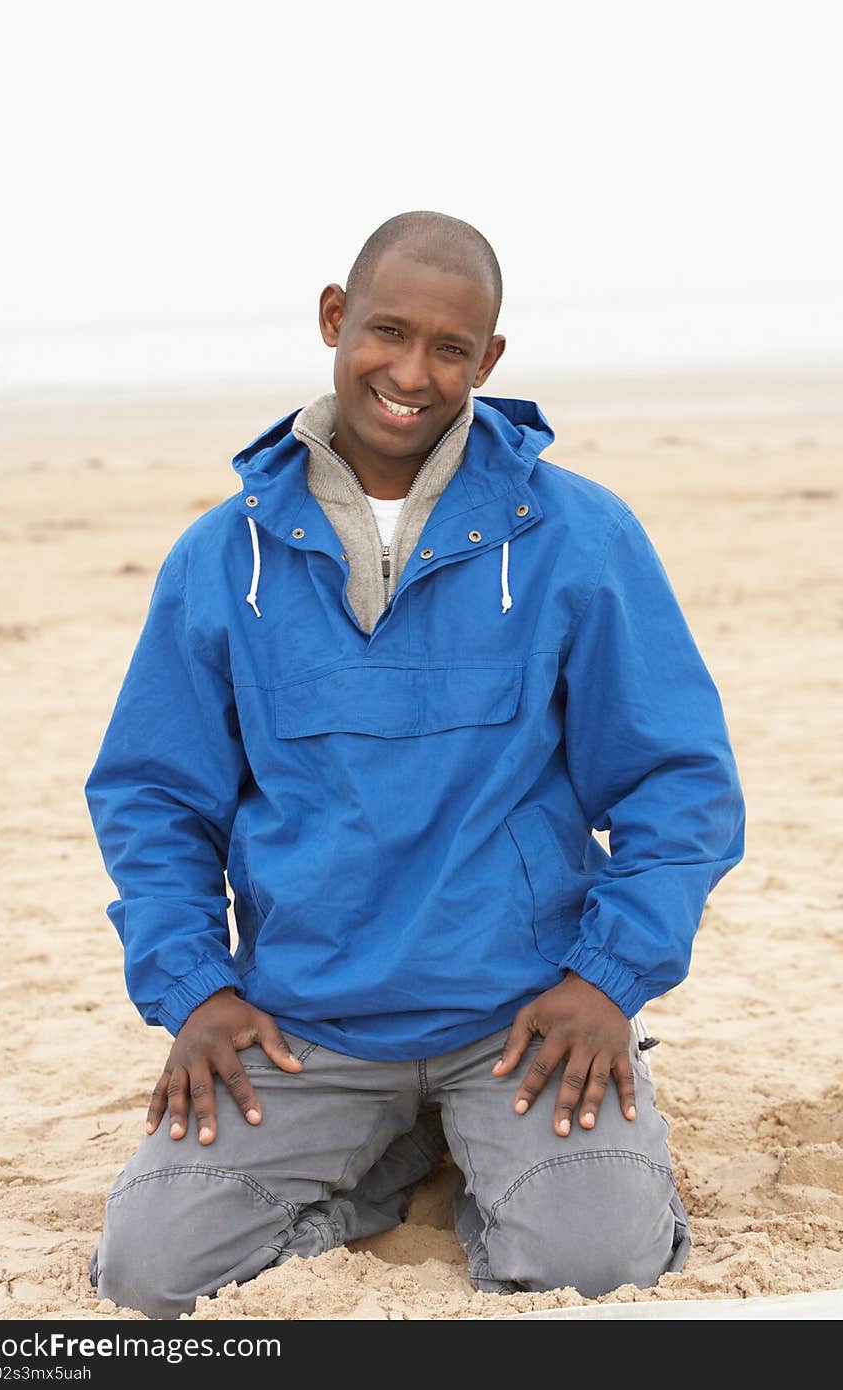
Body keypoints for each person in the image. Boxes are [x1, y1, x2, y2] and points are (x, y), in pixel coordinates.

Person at [84, 210, 746, 1320]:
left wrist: (606, 981)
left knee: (595, 1267)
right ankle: (399, 1158)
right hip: (305, 1024)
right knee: (149, 1275)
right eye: (387, 331)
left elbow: (679, 782)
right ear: (335, 320)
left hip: (526, 1016)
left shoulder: (576, 535)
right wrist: (195, 988)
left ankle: (502, 1151)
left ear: (488, 361)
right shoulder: (224, 555)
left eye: (451, 347)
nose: (410, 371)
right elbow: (153, 796)